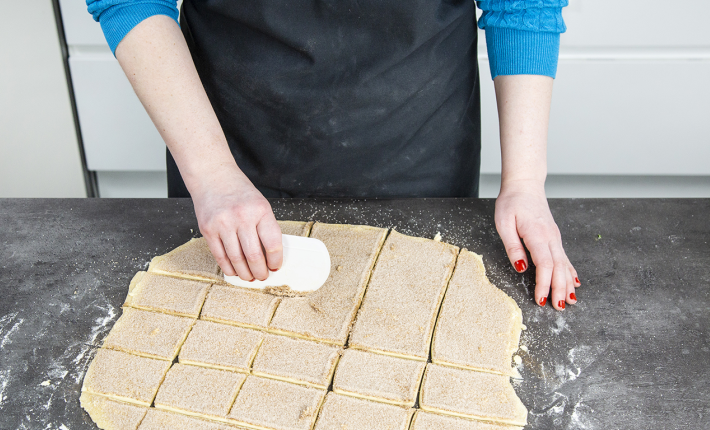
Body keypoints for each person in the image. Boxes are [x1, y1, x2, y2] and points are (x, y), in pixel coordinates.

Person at [86, 0, 579, 310]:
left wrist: (524, 181)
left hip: (419, 140)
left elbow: (523, 5)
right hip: (229, 146)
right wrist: (212, 173)